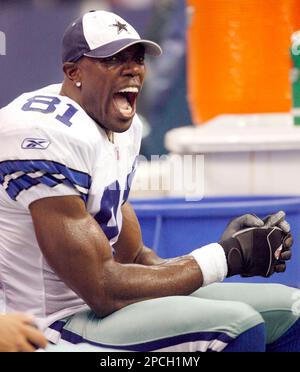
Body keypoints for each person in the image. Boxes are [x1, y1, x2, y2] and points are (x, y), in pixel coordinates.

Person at [0, 10, 299, 352]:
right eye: (113, 59)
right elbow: (102, 289)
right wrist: (220, 258)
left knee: (290, 308)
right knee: (235, 325)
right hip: (51, 323)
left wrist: (238, 253)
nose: (133, 69)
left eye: (137, 58)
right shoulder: (42, 134)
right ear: (73, 72)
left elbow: (137, 260)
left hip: (106, 310)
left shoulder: (121, 130)